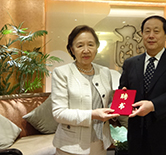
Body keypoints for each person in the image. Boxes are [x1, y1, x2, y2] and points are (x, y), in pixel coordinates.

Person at [119, 15, 166, 155]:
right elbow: (124, 89)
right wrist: (123, 97)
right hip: (137, 137)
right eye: (147, 31)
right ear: (142, 34)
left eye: (156, 31)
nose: (151, 35)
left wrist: (153, 105)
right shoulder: (130, 63)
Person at [51, 25, 120, 155]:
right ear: (72, 49)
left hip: (100, 143)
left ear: (97, 47)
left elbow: (107, 102)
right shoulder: (62, 73)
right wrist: (93, 114)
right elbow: (59, 113)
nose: (86, 50)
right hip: (70, 146)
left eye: (90, 44)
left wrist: (121, 102)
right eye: (80, 45)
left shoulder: (104, 72)